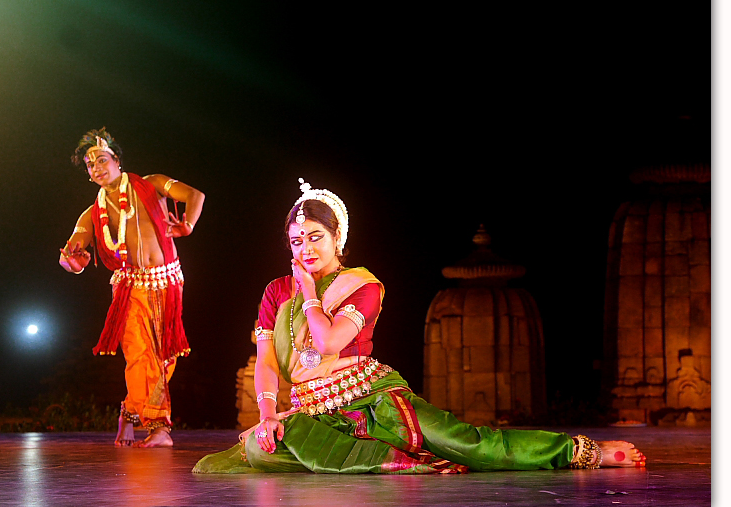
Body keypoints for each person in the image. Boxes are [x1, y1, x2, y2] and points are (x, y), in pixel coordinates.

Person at [193, 178, 645, 473]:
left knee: (465, 442)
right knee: (259, 445)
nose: (306, 248)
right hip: (315, 410)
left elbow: (330, 339)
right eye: (296, 241)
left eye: (316, 237)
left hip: (372, 398)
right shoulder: (276, 292)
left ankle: (579, 451)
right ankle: (380, 460)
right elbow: (268, 360)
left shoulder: (364, 286)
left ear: (337, 238)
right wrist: (269, 414)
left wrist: (309, 291)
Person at [59, 127, 205, 448]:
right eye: (89, 164)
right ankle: (159, 427)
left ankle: (128, 414)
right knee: (140, 355)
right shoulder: (91, 213)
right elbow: (72, 252)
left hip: (168, 282)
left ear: (117, 160)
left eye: (101, 159)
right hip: (129, 288)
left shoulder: (151, 184)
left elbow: (196, 196)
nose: (96, 167)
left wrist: (187, 225)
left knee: (164, 358)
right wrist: (74, 261)